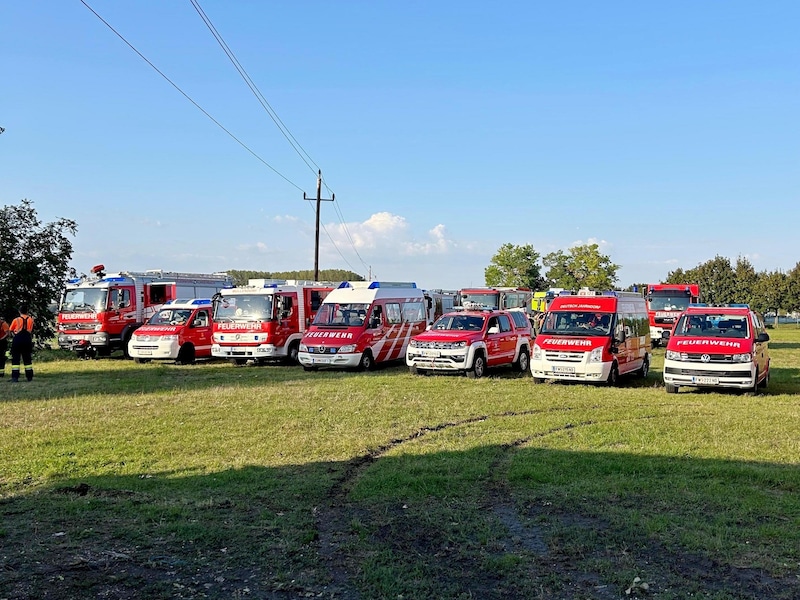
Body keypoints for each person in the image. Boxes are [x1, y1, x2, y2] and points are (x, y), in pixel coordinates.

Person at [9, 305, 35, 382]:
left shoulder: (16, 320)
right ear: (27, 311)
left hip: (18, 339)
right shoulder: (31, 320)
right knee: (27, 358)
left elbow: (11, 330)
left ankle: (15, 377)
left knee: (16, 359)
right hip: (27, 339)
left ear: (19, 311)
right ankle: (29, 377)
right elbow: (30, 329)